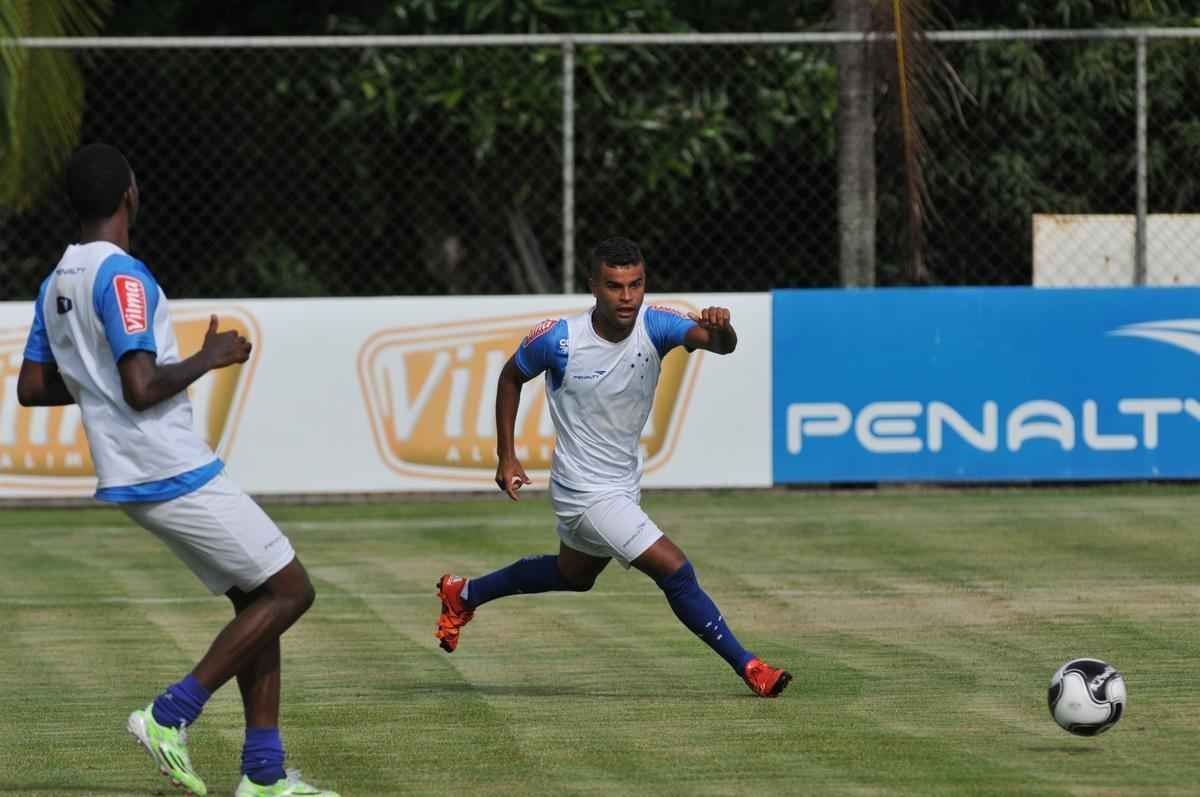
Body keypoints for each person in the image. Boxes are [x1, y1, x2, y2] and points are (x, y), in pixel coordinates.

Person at [17, 143, 338, 797]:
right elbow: (140, 386)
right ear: (129, 194)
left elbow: (32, 385)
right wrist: (208, 356)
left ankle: (265, 777)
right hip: (168, 465)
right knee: (291, 590)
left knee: (256, 597)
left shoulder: (56, 283)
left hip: (130, 471)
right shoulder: (123, 276)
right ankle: (171, 714)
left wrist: (99, 383)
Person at [435, 236, 791, 698]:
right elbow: (510, 377)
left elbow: (719, 346)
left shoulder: (656, 326)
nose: (627, 297)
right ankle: (750, 668)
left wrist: (722, 329)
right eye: (614, 286)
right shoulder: (559, 340)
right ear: (593, 287)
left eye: (635, 285)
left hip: (621, 486)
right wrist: (507, 454)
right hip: (584, 493)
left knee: (574, 576)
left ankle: (463, 594)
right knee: (676, 572)